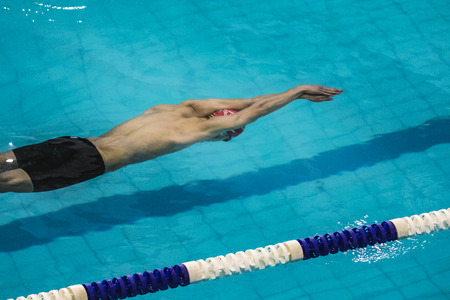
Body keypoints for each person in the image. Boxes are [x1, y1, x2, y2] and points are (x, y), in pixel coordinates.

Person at [0, 84, 342, 193]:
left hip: (74, 143)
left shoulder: (180, 109)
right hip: (91, 162)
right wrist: (298, 92)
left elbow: (244, 103)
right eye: (230, 132)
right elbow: (257, 110)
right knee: (6, 183)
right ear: (222, 128)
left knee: (3, 161)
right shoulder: (198, 130)